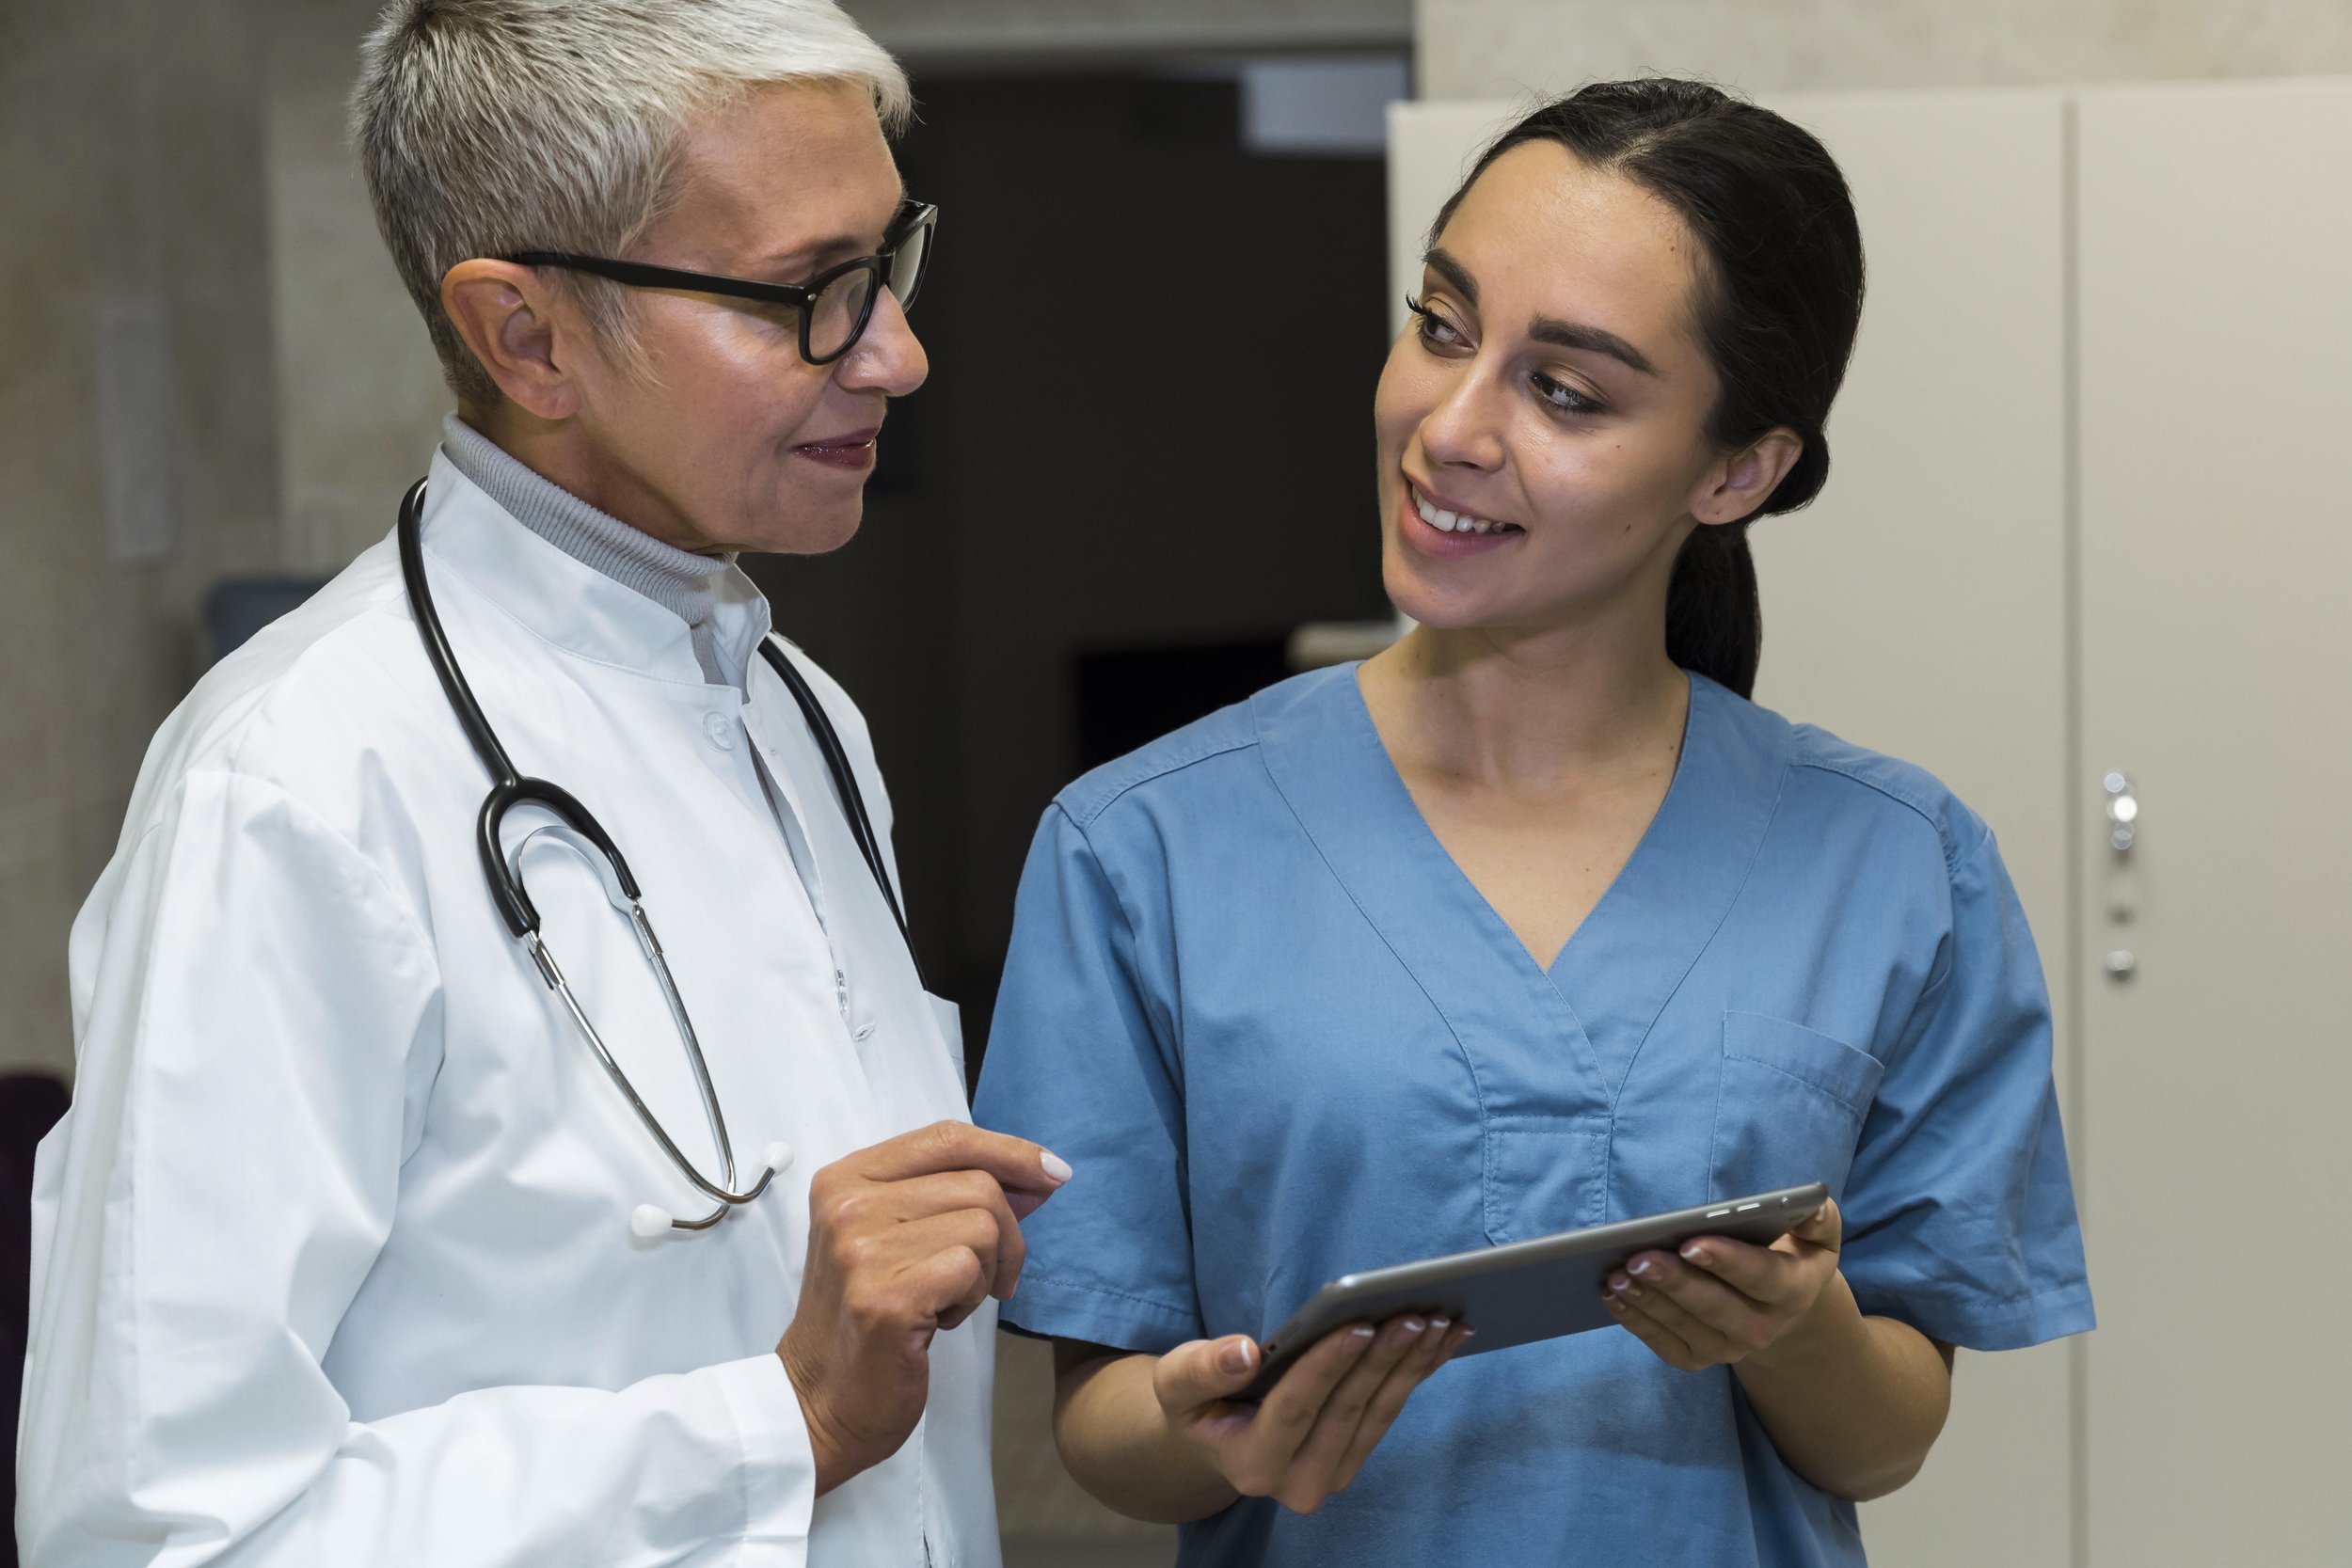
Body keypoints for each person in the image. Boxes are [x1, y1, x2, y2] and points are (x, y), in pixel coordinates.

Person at [972, 78, 2093, 1566]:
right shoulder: (1142, 848)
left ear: (1737, 470)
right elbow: (1100, 1424)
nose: (1448, 426)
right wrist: (1205, 1428)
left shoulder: (1897, 865)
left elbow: (1885, 1439)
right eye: (1442, 326)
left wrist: (1795, 1324)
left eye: (1565, 392)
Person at [19, 4, 1068, 1563]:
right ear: (528, 337)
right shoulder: (296, 786)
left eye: (888, 263)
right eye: (808, 294)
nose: (898, 354)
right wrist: (776, 1423)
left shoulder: (798, 713)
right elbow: (164, 1533)